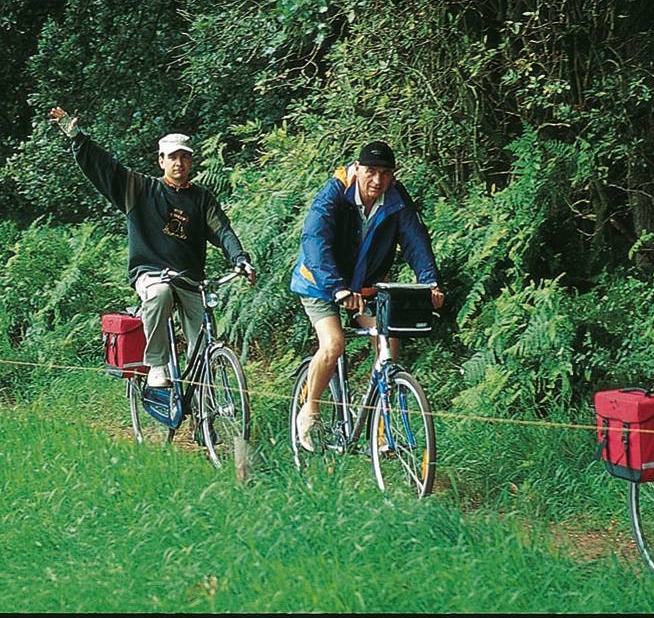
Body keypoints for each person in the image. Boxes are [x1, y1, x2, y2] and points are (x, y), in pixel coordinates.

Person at [49, 107, 255, 387]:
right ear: (161, 161)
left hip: (190, 278)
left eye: (184, 157)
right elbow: (106, 168)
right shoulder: (140, 189)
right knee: (159, 293)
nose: (179, 163)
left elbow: (222, 231)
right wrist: (77, 137)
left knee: (204, 342)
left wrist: (239, 258)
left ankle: (201, 407)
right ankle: (157, 365)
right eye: (172, 157)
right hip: (151, 273)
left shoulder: (202, 199)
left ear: (191, 161)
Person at [290, 140, 444, 451]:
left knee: (388, 339)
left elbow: (415, 239)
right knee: (334, 344)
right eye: (371, 171)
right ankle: (311, 409)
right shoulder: (334, 193)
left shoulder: (396, 198)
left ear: (394, 175)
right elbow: (314, 238)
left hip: (365, 286)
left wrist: (431, 284)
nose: (377, 180)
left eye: (385, 173)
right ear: (357, 168)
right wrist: (337, 287)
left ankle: (383, 429)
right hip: (321, 283)